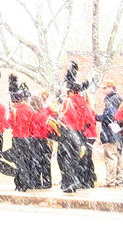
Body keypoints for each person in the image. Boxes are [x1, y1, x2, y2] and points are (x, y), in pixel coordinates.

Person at [57, 62, 89, 193]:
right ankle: (73, 180)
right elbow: (87, 119)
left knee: (64, 158)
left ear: (70, 91)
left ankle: (69, 181)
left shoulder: (68, 101)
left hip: (68, 132)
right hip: (79, 132)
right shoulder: (83, 101)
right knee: (74, 157)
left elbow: (65, 117)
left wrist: (58, 120)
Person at [6, 75, 35, 191]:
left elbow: (8, 124)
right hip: (28, 138)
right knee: (27, 160)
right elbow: (33, 125)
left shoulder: (14, 111)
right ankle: (24, 182)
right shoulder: (30, 109)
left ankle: (22, 183)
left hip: (18, 138)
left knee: (19, 162)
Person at [95, 80, 123, 188]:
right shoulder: (118, 98)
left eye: (105, 88)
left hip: (110, 132)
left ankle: (110, 181)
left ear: (111, 87)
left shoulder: (111, 100)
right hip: (118, 132)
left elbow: (109, 116)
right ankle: (119, 180)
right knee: (119, 156)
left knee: (110, 156)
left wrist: (97, 117)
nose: (103, 90)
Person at [29, 95, 53, 189]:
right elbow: (48, 128)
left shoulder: (34, 115)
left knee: (36, 161)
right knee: (46, 162)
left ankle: (37, 182)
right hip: (44, 139)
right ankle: (47, 181)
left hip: (35, 139)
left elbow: (31, 128)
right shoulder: (45, 113)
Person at [78, 89, 97, 189]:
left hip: (87, 135)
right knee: (87, 158)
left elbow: (87, 122)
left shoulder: (85, 108)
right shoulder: (90, 107)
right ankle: (89, 179)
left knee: (84, 158)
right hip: (90, 135)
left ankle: (86, 180)